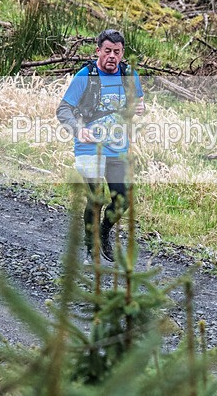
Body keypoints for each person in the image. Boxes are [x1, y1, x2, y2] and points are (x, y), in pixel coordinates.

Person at [57, 29, 144, 262]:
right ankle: (90, 248)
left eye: (117, 52)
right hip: (89, 148)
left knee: (122, 199)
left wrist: (138, 108)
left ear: (122, 53)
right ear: (98, 50)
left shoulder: (129, 74)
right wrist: (78, 130)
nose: (112, 56)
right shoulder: (86, 75)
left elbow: (138, 102)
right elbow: (63, 110)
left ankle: (104, 230)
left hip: (118, 148)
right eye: (107, 51)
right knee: (96, 198)